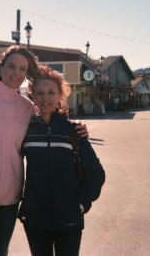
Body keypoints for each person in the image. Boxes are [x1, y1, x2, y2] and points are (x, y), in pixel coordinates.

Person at [0, 46, 88, 256]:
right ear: (1, 67)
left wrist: (76, 128)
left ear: (26, 74)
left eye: (22, 69)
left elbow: (49, 119)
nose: (16, 73)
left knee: (1, 251)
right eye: (11, 66)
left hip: (12, 198)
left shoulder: (27, 107)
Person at [18, 65, 105, 256]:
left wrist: (82, 204)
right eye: (39, 92)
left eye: (51, 92)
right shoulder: (26, 130)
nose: (45, 98)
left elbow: (95, 172)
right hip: (35, 219)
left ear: (60, 95)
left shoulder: (73, 131)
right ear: (32, 95)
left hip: (69, 218)